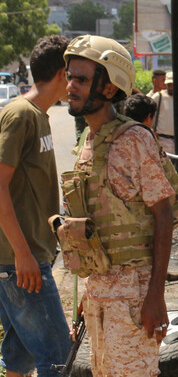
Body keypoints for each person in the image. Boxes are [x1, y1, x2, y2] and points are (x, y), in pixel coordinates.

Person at [63, 35, 177, 376]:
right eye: (70, 77)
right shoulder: (88, 140)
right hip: (99, 293)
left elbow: (164, 216)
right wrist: (87, 293)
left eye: (82, 79)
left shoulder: (134, 140)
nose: (71, 86)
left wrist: (155, 296)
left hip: (133, 296)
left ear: (110, 89)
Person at [0, 35, 72, 377]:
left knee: (21, 356)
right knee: (59, 357)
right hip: (21, 264)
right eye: (73, 72)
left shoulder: (39, 115)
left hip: (23, 260)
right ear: (61, 72)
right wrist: (23, 253)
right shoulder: (20, 115)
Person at [149, 72, 175, 153]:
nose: (171, 87)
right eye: (169, 84)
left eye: (173, 84)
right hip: (162, 139)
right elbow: (146, 112)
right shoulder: (159, 96)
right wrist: (151, 129)